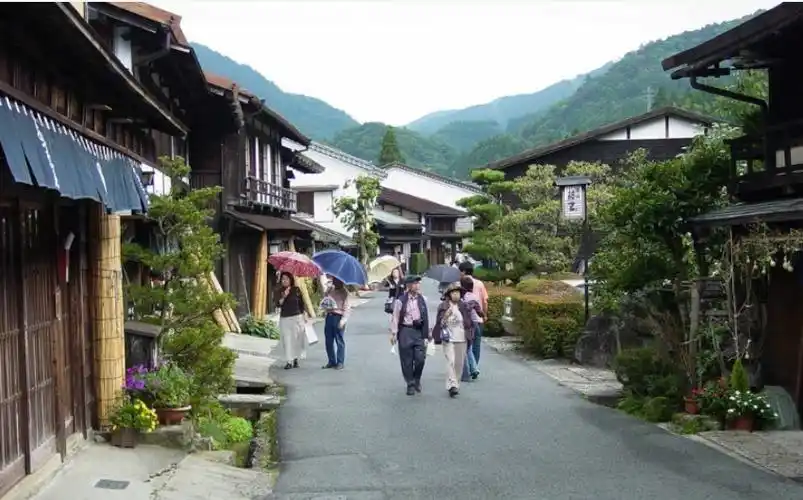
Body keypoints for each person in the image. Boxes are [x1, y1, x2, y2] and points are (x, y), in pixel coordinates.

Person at [432, 282, 475, 398]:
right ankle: (452, 385)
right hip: (448, 338)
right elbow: (439, 323)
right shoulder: (443, 306)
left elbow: (469, 322)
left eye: (458, 293)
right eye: (453, 293)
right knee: (450, 361)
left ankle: (455, 383)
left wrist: (471, 334)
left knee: (459, 364)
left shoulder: (464, 306)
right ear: (449, 294)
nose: (456, 295)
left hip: (462, 337)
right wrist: (446, 315)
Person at [389, 275, 430, 396]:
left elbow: (427, 317)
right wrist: (394, 333)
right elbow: (395, 318)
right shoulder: (400, 301)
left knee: (420, 359)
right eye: (415, 283)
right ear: (408, 285)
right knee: (406, 360)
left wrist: (428, 334)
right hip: (405, 331)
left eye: (418, 283)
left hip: (418, 331)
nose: (417, 286)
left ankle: (417, 378)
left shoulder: (423, 299)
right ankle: (410, 383)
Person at [459, 261, 488, 381]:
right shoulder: (480, 284)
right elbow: (485, 300)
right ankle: (474, 366)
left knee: (466, 346)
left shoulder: (459, 284)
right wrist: (485, 315)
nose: (459, 273)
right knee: (476, 344)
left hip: (465, 321)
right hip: (478, 319)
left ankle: (469, 367)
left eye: (460, 271)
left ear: (464, 271)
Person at [276, 272, 307, 370]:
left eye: (286, 279)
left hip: (297, 318)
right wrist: (284, 296)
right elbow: (277, 304)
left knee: (297, 340)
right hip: (285, 318)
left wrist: (304, 315)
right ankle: (289, 361)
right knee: (287, 340)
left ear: (291, 280)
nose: (284, 280)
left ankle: (296, 359)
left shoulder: (296, 290)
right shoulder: (279, 291)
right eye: (283, 279)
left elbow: (301, 304)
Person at [321, 276, 350, 370]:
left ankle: (340, 362)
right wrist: (327, 291)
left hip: (338, 316)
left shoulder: (344, 292)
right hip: (329, 315)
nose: (336, 282)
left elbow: (347, 308)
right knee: (328, 340)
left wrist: (343, 320)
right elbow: (325, 299)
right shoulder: (331, 289)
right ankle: (331, 361)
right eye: (335, 280)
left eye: (338, 280)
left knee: (339, 340)